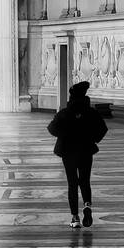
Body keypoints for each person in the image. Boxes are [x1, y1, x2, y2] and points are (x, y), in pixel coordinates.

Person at [47, 80, 107, 228]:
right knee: (85, 180)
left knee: (72, 183)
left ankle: (75, 217)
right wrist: (92, 139)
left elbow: (51, 128)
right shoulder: (91, 112)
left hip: (68, 151)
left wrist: (65, 135)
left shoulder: (65, 113)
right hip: (86, 150)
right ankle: (87, 206)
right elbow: (102, 129)